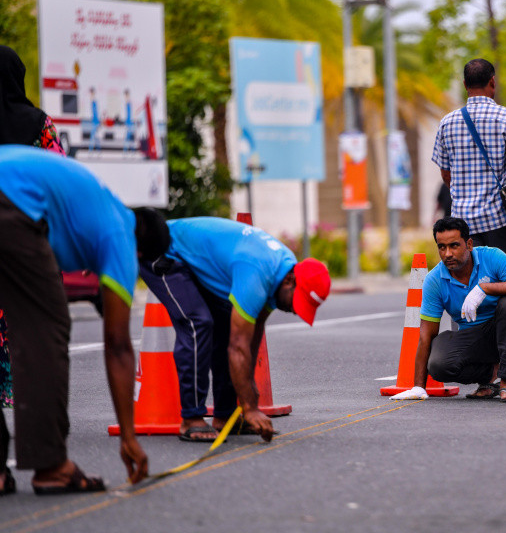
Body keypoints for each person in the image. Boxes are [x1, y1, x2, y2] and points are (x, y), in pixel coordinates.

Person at [0, 146, 169, 495]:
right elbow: (118, 346)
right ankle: (52, 467)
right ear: (141, 254)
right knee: (45, 328)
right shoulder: (122, 235)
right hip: (12, 200)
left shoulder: (101, 204)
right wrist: (129, 437)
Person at [139, 217, 331, 443]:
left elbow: (251, 336)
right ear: (290, 281)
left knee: (226, 327)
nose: (294, 311)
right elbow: (239, 348)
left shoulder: (282, 270)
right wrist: (250, 408)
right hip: (163, 251)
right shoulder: (258, 272)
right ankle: (191, 419)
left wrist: (250, 391)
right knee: (197, 323)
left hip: (195, 263)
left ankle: (224, 416)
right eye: (295, 303)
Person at [432, 59, 506, 374]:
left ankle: (481, 363)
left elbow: (445, 172)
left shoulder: (448, 122)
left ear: (465, 85)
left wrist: (464, 193)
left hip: (463, 227)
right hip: (500, 224)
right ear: (492, 83)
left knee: (466, 294)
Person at [390, 217, 506, 403]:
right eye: (441, 247)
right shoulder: (435, 280)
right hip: (476, 339)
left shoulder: (491, 257)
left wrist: (486, 288)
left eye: (454, 246)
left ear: (469, 244)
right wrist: (419, 387)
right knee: (438, 364)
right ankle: (490, 373)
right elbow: (425, 335)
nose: (447, 254)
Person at [0, 45, 67, 416]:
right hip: (30, 235)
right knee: (35, 320)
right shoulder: (38, 123)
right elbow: (59, 177)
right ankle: (27, 392)